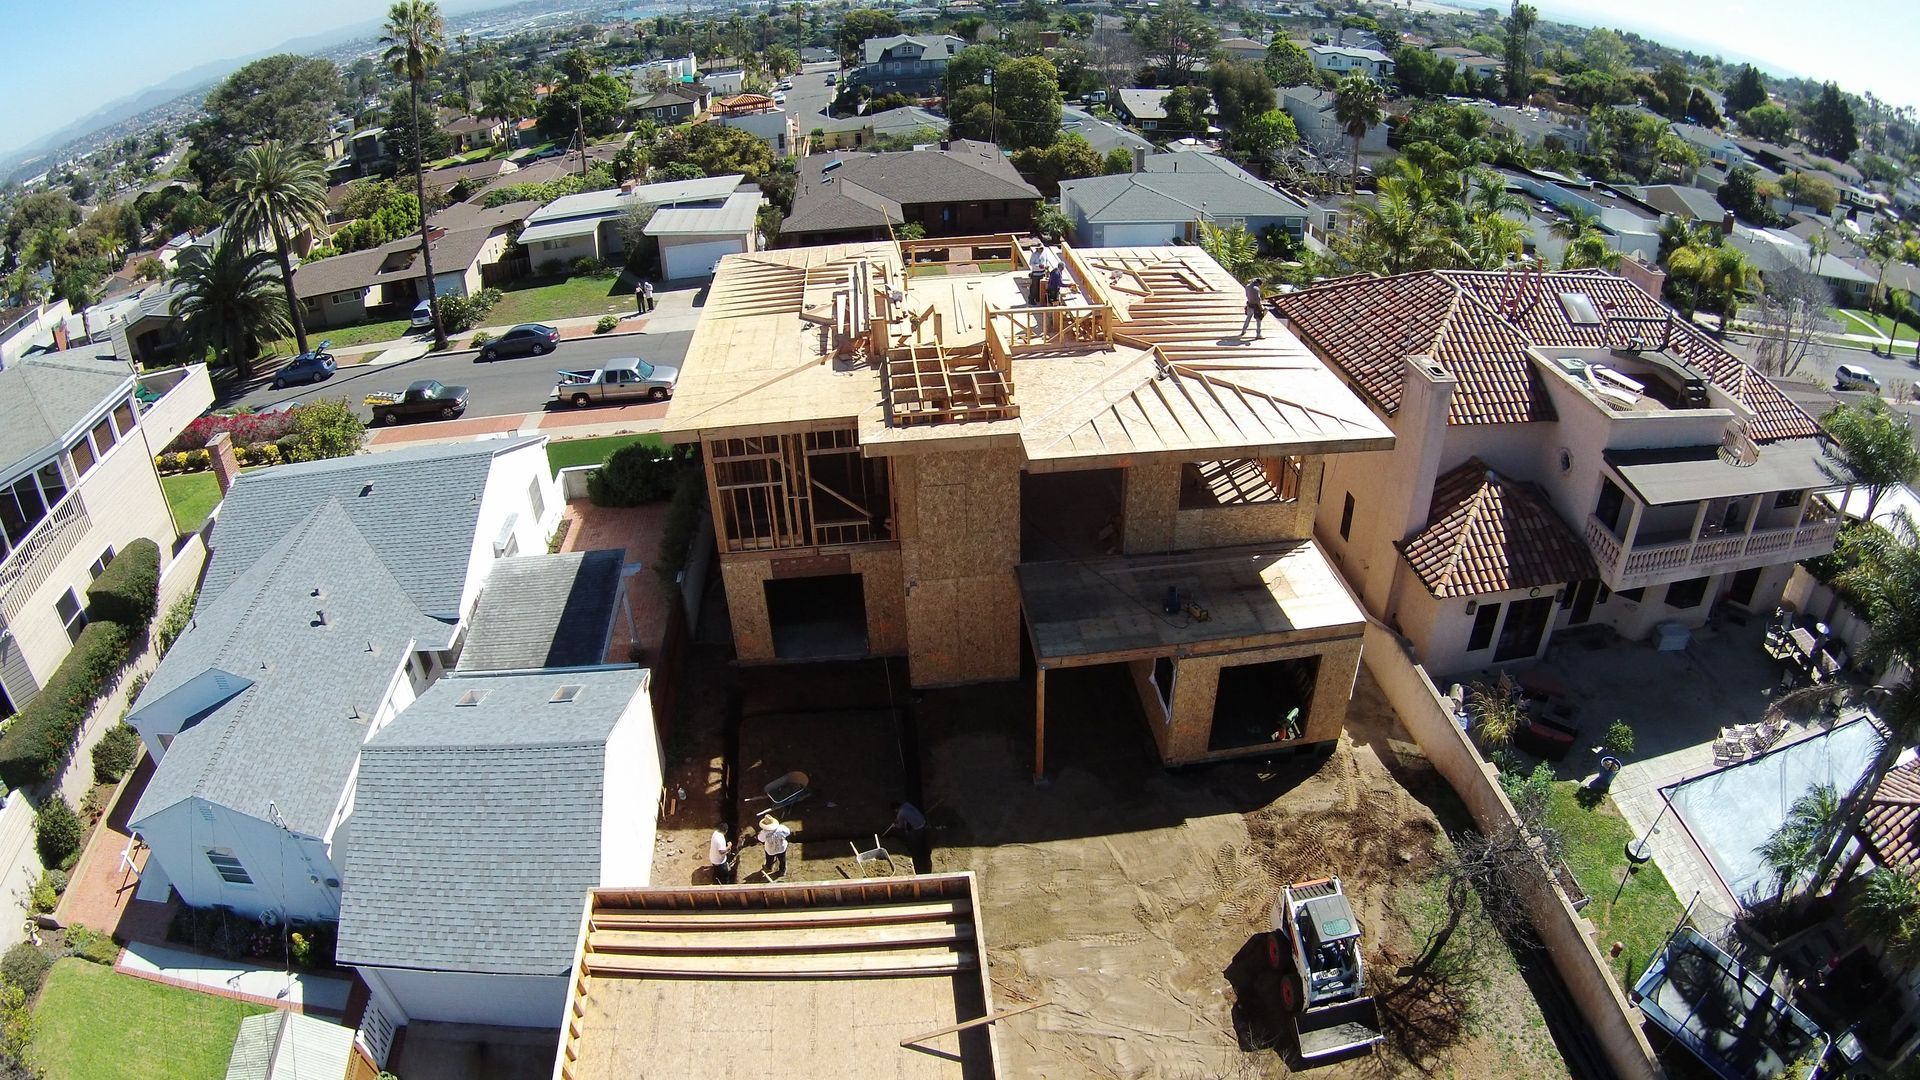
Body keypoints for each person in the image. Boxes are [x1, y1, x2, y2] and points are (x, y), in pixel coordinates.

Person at [757, 813, 791, 879]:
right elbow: (788, 833)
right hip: (781, 848)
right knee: (782, 859)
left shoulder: (764, 833)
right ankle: (782, 870)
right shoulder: (781, 828)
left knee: (769, 859)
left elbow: (760, 839)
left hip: (770, 850)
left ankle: (768, 867)